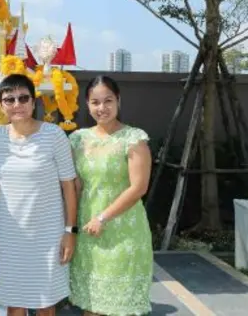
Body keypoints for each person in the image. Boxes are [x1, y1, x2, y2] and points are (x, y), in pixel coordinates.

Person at [0, 74, 78, 315]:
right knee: (14, 302)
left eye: (23, 98)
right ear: (1, 105)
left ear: (33, 101)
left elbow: (69, 185)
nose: (17, 104)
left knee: (45, 303)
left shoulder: (54, 135)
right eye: (9, 99)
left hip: (48, 235)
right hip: (11, 236)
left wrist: (70, 232)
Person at [68, 75, 153, 316]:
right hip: (88, 234)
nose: (101, 108)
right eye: (95, 102)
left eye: (108, 101)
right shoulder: (78, 139)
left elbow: (138, 187)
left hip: (123, 232)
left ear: (118, 101)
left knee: (119, 307)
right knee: (91, 306)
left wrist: (103, 217)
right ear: (87, 104)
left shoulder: (133, 138)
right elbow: (75, 186)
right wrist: (70, 227)